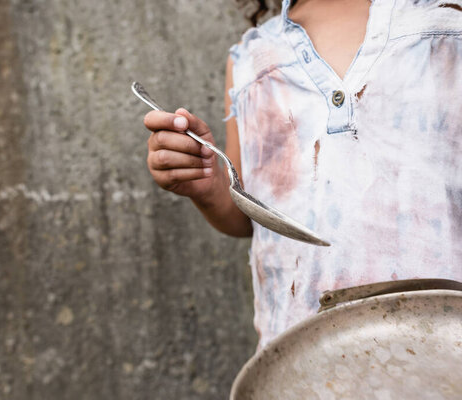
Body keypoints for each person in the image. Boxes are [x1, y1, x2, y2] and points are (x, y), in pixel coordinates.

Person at [142, 0, 462, 349]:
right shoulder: (252, 59)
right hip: (302, 357)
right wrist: (208, 186)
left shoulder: (448, 24)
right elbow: (248, 215)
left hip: (446, 347)